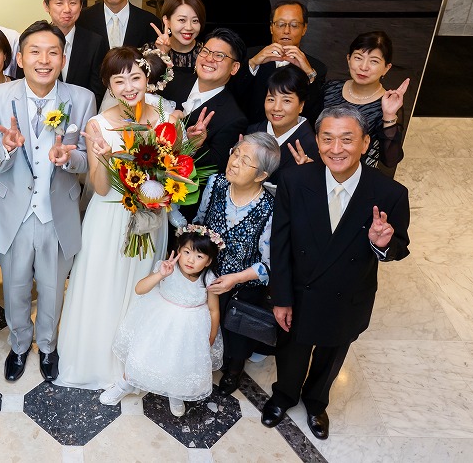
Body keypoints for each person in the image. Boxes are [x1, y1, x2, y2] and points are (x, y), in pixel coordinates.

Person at [261, 105, 410, 440]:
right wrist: (281, 297)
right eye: (327, 139)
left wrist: (382, 244)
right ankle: (284, 395)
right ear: (317, 141)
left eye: (347, 139)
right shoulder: (294, 181)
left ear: (365, 143)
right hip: (299, 290)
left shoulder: (390, 193)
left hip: (348, 295)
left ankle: (316, 402)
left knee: (331, 355)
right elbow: (280, 243)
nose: (336, 148)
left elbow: (400, 248)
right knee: (291, 350)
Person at [0, 20, 96, 383]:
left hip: (57, 212)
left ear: (63, 58)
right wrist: (7, 149)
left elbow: (88, 160)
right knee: (14, 289)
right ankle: (18, 345)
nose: (44, 60)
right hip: (13, 213)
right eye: (35, 52)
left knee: (52, 289)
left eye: (52, 52)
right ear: (20, 58)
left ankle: (47, 346)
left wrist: (69, 159)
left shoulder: (82, 98)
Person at [56, 47, 178, 390]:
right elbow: (98, 187)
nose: (129, 87)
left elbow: (174, 173)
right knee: (103, 287)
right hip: (108, 219)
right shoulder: (98, 125)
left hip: (150, 218)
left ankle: (134, 365)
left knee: (141, 287)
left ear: (147, 79)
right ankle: (98, 363)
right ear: (108, 84)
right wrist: (106, 158)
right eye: (119, 80)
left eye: (135, 78)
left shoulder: (166, 119)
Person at [99, 229, 224, 418]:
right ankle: (126, 384)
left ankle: (176, 393)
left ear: (208, 261)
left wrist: (212, 336)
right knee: (144, 353)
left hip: (190, 329)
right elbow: (139, 289)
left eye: (199, 256)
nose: (190, 260)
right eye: (187, 252)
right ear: (178, 250)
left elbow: (214, 310)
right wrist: (160, 274)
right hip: (160, 321)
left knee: (181, 361)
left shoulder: (209, 279)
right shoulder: (166, 268)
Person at [193, 133, 279, 395]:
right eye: (235, 153)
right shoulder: (216, 184)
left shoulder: (270, 209)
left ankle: (234, 369)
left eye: (245, 160)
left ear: (261, 175)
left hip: (242, 286)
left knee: (237, 334)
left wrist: (235, 278)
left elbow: (268, 265)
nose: (234, 162)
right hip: (208, 275)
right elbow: (199, 222)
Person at [320, 31, 409, 169]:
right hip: (320, 167)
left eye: (374, 61)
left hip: (357, 175)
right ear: (348, 59)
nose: (363, 67)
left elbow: (390, 161)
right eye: (358, 58)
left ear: (386, 68)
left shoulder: (388, 104)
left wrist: (389, 116)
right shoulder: (330, 88)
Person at [232, 1, 327, 124]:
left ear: (304, 29)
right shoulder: (248, 56)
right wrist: (253, 63)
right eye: (280, 24)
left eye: (294, 25)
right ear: (271, 27)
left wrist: (309, 74)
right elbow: (233, 94)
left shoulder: (316, 68)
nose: (286, 30)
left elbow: (315, 114)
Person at [176, 28, 249, 182]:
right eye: (205, 51)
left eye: (219, 55)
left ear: (234, 68)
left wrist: (196, 146)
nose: (209, 58)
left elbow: (216, 169)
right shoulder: (174, 82)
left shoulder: (233, 119)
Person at [35, 0, 109, 103]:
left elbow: (97, 92)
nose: (67, 9)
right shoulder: (34, 41)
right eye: (59, 3)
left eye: (73, 3)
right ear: (46, 6)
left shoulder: (95, 43)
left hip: (83, 112)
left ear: (81, 6)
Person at [246, 66, 319, 187]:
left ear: (301, 105)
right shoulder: (252, 131)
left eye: (286, 101)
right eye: (271, 99)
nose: (276, 108)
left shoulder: (312, 146)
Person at [154, 0, 206, 105]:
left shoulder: (207, 55)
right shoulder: (149, 52)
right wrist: (161, 55)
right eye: (182, 20)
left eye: (195, 21)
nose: (189, 27)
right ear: (166, 21)